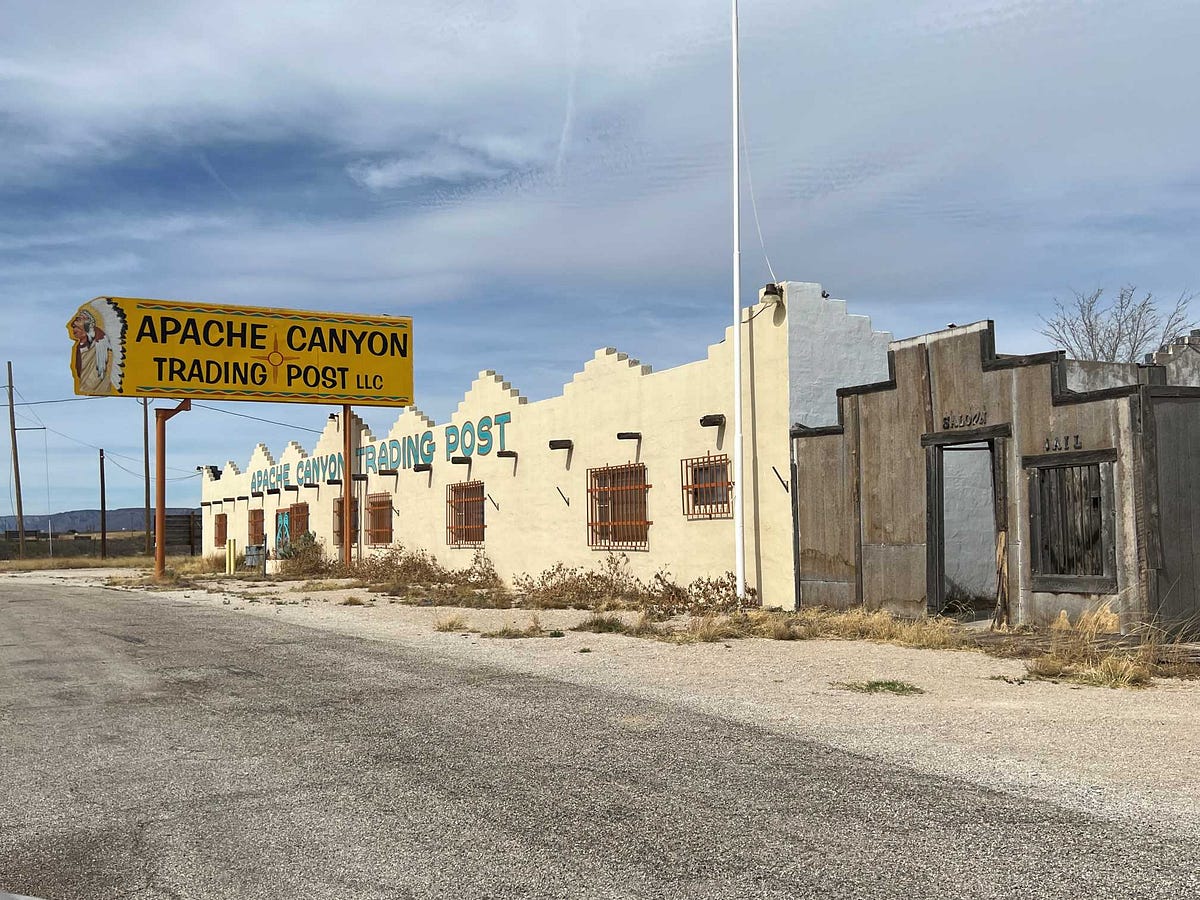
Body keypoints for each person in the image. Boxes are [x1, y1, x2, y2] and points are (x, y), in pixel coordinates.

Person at [67, 300, 123, 395]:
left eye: (79, 320)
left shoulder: (100, 342)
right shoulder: (79, 348)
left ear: (89, 324)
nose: (73, 324)